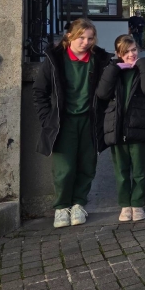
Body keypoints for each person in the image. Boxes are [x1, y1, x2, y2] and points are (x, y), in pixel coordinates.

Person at [32, 18, 112, 228]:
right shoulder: (55, 59)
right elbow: (39, 92)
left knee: (87, 165)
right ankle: (61, 207)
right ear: (69, 36)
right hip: (64, 121)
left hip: (90, 121)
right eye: (81, 37)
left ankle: (78, 204)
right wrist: (47, 119)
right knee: (64, 167)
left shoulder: (100, 60)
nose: (85, 42)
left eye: (90, 38)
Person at [96, 35, 145, 222]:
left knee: (139, 171)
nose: (131, 54)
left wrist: (143, 64)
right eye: (126, 52)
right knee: (121, 171)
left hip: (139, 126)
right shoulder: (112, 70)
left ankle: (138, 204)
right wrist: (114, 69)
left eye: (134, 50)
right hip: (117, 128)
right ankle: (125, 204)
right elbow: (102, 93)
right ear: (118, 54)